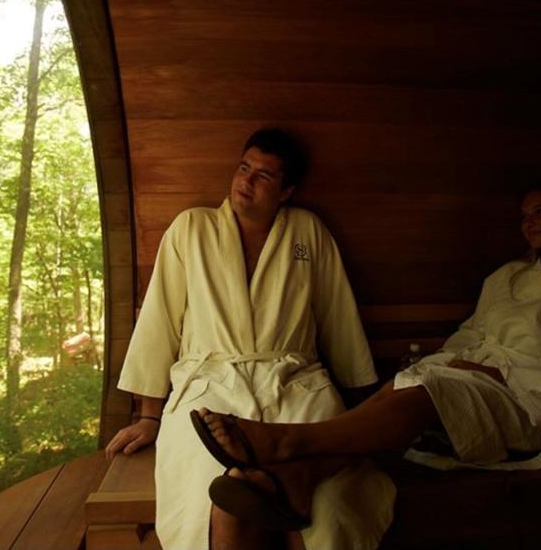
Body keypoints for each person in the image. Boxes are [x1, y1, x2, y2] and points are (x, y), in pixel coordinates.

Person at [193, 186, 541, 532]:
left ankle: (287, 442)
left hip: (524, 405)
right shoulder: (507, 276)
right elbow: (470, 334)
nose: (529, 222)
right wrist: (451, 362)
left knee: (422, 391)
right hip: (472, 382)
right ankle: (299, 481)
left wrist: (495, 371)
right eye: (525, 214)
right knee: (404, 385)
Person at [106, 128, 396, 550]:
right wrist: (149, 416)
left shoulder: (308, 232)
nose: (246, 181)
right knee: (212, 495)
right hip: (208, 388)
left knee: (329, 505)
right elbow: (159, 320)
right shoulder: (192, 228)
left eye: (263, 176)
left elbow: (338, 316)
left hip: (296, 383)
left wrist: (361, 412)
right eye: (244, 168)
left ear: (286, 191)